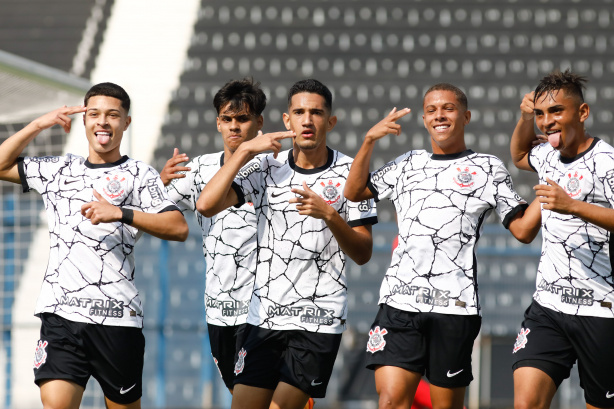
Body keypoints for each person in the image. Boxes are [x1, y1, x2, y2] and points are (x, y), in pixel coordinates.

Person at [344, 83, 541, 409]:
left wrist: (551, 179)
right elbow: (354, 192)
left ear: (465, 116)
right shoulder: (406, 162)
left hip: (455, 307)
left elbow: (522, 230)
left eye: (448, 108)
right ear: (424, 119)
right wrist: (368, 141)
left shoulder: (488, 168)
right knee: (391, 400)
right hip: (400, 303)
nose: (440, 115)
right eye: (432, 110)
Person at [0, 82, 189, 409]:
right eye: (95, 114)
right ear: (85, 120)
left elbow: (178, 227)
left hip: (117, 317)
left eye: (113, 115)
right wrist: (38, 124)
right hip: (62, 315)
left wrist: (121, 213)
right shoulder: (57, 169)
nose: (103, 121)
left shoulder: (140, 176)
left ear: (125, 123)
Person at [197, 79, 377, 409]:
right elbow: (206, 205)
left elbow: (364, 252)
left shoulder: (353, 173)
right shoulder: (266, 168)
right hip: (263, 318)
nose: (307, 120)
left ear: (330, 121)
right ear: (286, 120)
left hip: (318, 318)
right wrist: (247, 150)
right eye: (299, 112)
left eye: (316, 113)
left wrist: (330, 215)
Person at [510, 70, 614, 409]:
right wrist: (525, 118)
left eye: (556, 112)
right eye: (541, 114)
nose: (547, 122)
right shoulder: (548, 156)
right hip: (548, 307)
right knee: (526, 404)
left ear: (582, 113)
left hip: (600, 310)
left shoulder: (606, 162)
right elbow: (519, 154)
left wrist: (573, 206)